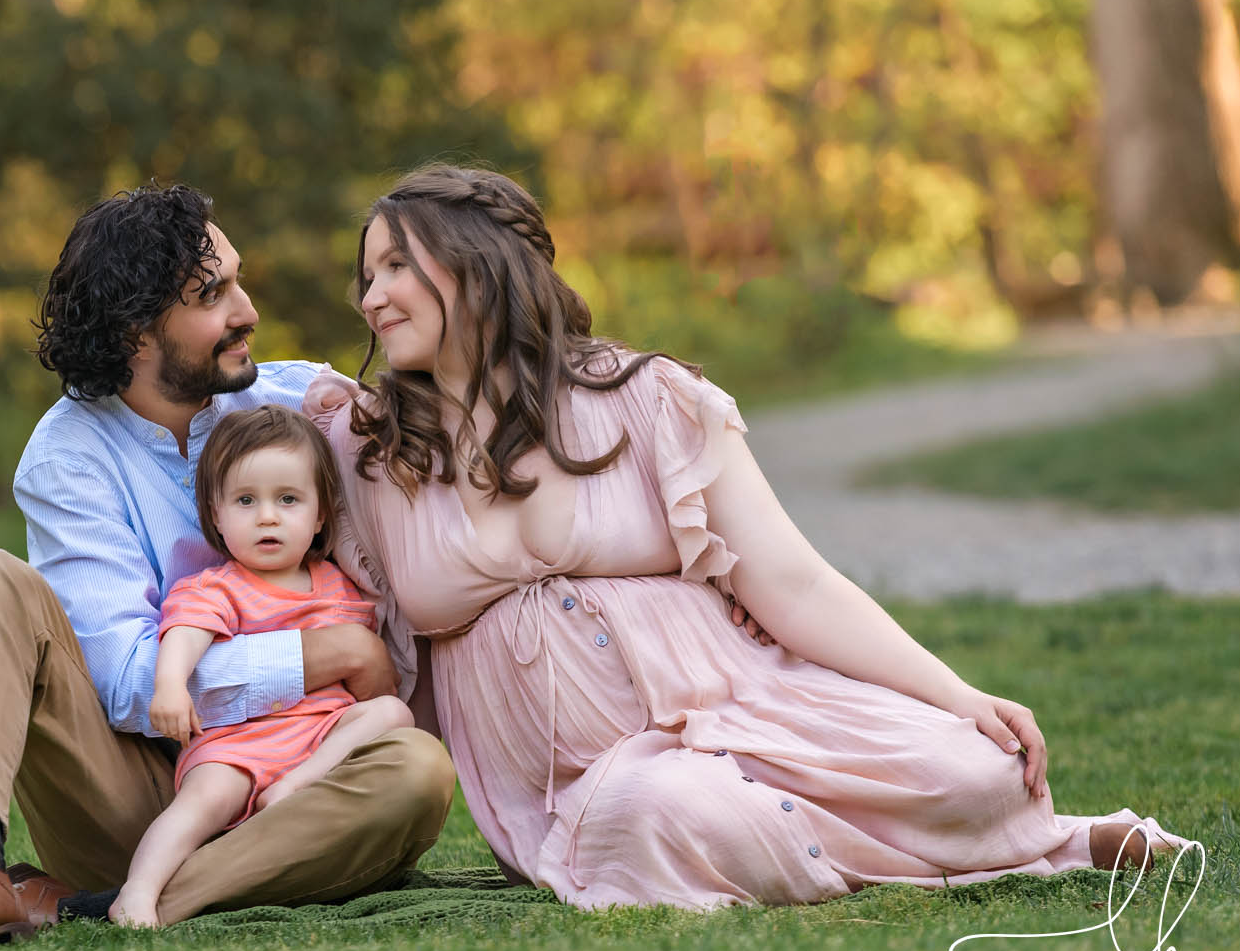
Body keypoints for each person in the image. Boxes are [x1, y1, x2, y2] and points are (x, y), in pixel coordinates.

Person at [304, 164, 1190, 911]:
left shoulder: (645, 399)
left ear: (476, 265)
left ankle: (1043, 836)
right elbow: (234, 410)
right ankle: (1004, 855)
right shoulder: (368, 448)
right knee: (672, 811)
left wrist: (959, 693)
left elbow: (793, 583)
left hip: (746, 700)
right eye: (366, 275)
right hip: (585, 780)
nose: (369, 297)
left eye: (393, 267)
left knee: (975, 766)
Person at [0, 181, 453, 946]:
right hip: (140, 795)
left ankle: (77, 908)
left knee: (416, 771)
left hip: (303, 782)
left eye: (237, 279)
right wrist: (326, 652)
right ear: (136, 333)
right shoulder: (69, 457)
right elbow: (130, 683)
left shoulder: (293, 400)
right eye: (213, 293)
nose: (247, 309)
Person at [110, 406, 416, 928]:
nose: (267, 516)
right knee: (205, 799)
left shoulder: (340, 586)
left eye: (288, 500)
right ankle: (137, 891)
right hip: (239, 742)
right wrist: (169, 686)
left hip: (319, 736)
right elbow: (184, 632)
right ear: (217, 514)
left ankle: (294, 787)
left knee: (392, 713)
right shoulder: (220, 586)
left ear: (320, 516)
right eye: (246, 501)